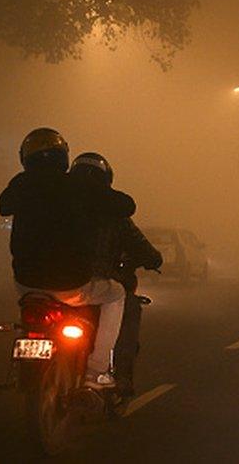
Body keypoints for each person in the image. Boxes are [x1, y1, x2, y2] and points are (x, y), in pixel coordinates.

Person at [0, 128, 135, 389]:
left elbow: (2, 205)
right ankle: (96, 371)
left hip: (26, 283)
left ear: (25, 157)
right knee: (117, 294)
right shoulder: (78, 184)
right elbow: (127, 205)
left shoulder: (21, 183)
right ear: (63, 156)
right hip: (72, 284)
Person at [69, 152, 163, 397]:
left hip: (48, 280)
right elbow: (140, 246)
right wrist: (153, 259)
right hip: (94, 284)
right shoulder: (114, 211)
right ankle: (111, 374)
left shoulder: (56, 204)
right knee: (126, 305)